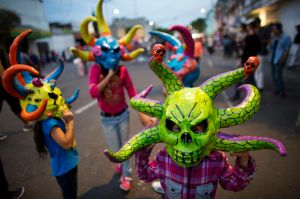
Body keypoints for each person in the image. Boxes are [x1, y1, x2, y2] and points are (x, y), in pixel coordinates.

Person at [136, 145, 255, 199]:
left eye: (196, 128)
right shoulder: (164, 156)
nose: (187, 137)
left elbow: (234, 184)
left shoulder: (216, 159)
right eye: (178, 128)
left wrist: (244, 159)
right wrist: (144, 150)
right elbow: (144, 174)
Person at [33, 108, 79, 199]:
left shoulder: (51, 119)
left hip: (68, 165)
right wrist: (70, 121)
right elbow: (67, 144)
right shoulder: (49, 123)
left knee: (72, 193)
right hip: (64, 168)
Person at [269, 22, 292, 97]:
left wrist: (283, 59)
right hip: (273, 58)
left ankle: (282, 91)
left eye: (274, 29)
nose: (273, 31)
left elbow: (287, 49)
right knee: (273, 75)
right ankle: (277, 89)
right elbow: (270, 48)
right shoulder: (274, 37)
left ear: (279, 29)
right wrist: (270, 40)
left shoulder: (286, 37)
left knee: (278, 76)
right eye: (273, 29)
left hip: (280, 59)